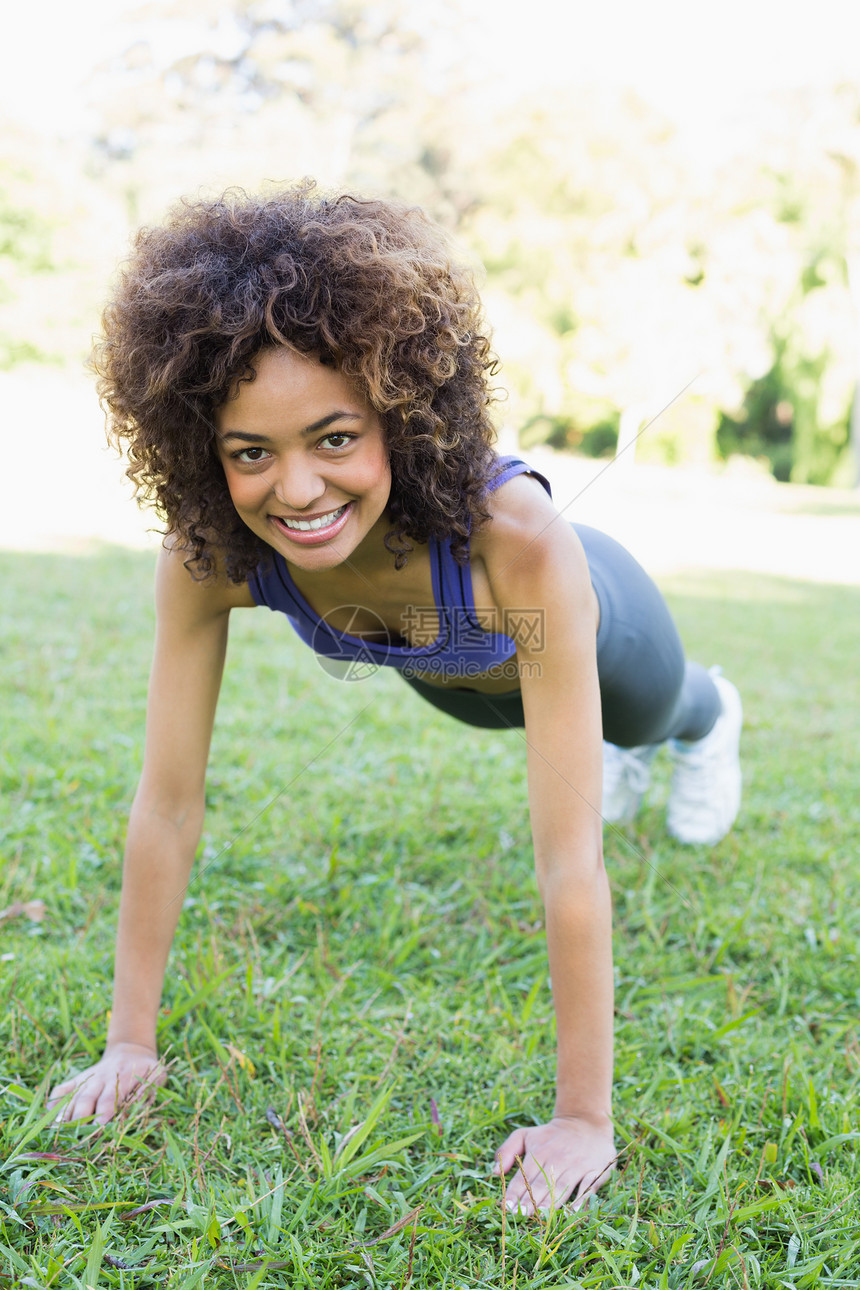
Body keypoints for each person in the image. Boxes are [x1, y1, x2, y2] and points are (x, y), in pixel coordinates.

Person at [47, 183, 742, 1214]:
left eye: (334, 438)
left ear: (400, 412)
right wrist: (126, 1046)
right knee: (517, 715)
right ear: (201, 448)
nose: (295, 489)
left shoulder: (514, 543)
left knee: (649, 715)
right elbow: (167, 802)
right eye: (251, 452)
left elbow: (566, 859)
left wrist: (580, 1120)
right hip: (454, 679)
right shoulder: (213, 557)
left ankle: (708, 718)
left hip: (596, 636)